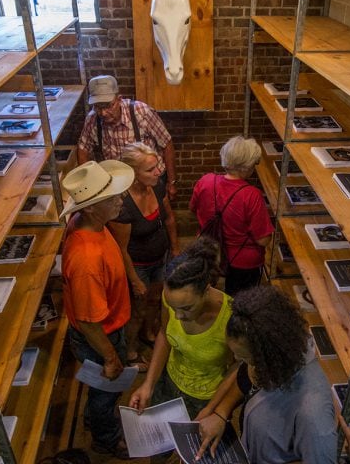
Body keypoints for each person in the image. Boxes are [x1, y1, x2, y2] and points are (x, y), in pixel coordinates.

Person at [196, 285, 337, 464]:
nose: (237, 359)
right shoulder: (277, 356)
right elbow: (245, 378)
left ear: (270, 353)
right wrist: (221, 413)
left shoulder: (313, 413)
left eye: (245, 356)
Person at [60, 160, 135, 459]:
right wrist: (111, 356)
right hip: (102, 336)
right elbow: (89, 322)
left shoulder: (87, 224)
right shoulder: (86, 260)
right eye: (112, 197)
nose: (121, 199)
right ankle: (105, 438)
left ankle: (96, 416)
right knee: (108, 390)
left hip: (107, 328)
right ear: (90, 207)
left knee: (103, 392)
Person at [128, 239, 234, 423]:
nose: (177, 316)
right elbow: (164, 333)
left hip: (205, 398)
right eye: (172, 306)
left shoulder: (231, 317)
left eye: (187, 308)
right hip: (169, 383)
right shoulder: (172, 297)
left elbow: (238, 366)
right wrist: (149, 384)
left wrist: (215, 408)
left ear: (206, 290)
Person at [108, 142, 180, 371]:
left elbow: (168, 218)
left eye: (157, 166)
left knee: (156, 300)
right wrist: (135, 280)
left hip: (160, 258)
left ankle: (149, 333)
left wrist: (175, 248)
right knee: (137, 311)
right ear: (133, 174)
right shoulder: (123, 205)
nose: (159, 172)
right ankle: (130, 351)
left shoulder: (157, 187)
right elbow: (121, 248)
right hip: (138, 265)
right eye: (150, 169)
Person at [190, 136, 274, 295]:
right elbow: (263, 240)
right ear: (247, 167)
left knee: (208, 294)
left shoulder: (206, 181)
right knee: (240, 301)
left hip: (209, 250)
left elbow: (193, 208)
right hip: (242, 262)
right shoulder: (252, 195)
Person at [77, 75, 178, 200]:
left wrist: (171, 182)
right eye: (98, 107)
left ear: (119, 99)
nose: (103, 113)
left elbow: (167, 144)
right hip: (117, 184)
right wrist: (90, 184)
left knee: (158, 215)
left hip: (149, 181)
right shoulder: (92, 119)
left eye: (108, 106)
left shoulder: (141, 112)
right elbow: (83, 149)